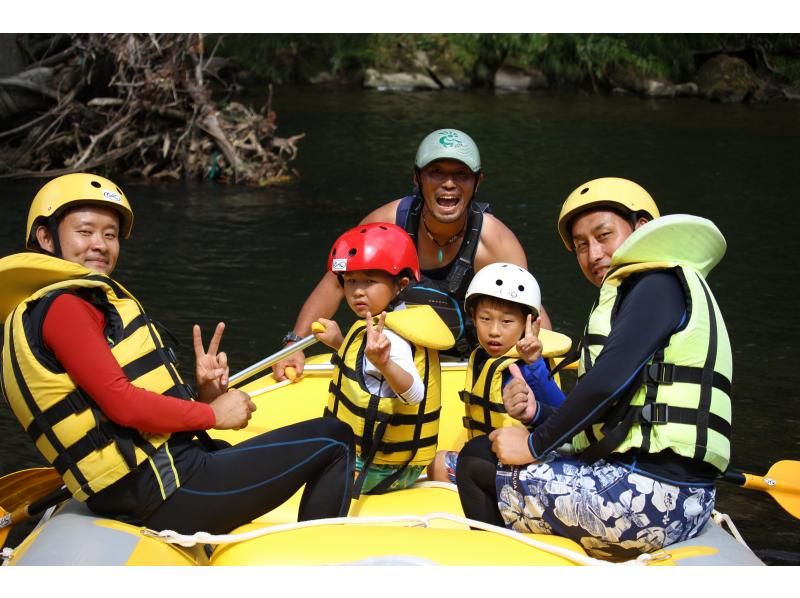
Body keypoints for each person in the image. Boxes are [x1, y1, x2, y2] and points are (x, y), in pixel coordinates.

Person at [0, 173, 355, 536]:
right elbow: (122, 404)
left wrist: (204, 393)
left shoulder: (52, 307)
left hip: (147, 485)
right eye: (85, 231)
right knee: (334, 437)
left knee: (253, 446)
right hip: (166, 492)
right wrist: (212, 413)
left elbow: (115, 415)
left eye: (110, 234)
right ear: (46, 237)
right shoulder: (64, 308)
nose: (100, 245)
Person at [456, 177, 733, 561]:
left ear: (641, 228)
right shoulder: (662, 285)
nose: (593, 253)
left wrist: (534, 444)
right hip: (676, 495)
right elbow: (610, 414)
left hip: (650, 503)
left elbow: (606, 383)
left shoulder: (656, 284)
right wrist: (538, 414)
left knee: (474, 461)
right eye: (581, 245)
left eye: (604, 235)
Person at [274, 128, 551, 379]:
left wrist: (543, 369)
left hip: (467, 365)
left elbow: (530, 309)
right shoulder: (386, 222)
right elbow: (336, 281)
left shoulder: (496, 242)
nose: (449, 184)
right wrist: (294, 343)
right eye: (436, 172)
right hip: (393, 360)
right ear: (417, 178)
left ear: (477, 182)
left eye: (461, 175)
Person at [315, 222, 453, 496]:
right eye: (351, 281)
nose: (357, 291)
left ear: (400, 284)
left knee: (305, 457)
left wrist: (385, 363)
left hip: (376, 468)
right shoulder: (388, 323)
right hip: (391, 464)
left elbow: (415, 394)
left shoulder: (392, 337)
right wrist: (339, 344)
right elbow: (369, 376)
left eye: (369, 281)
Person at [426, 262, 565, 484]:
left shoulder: (529, 365)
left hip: (527, 466)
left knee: (441, 464)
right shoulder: (483, 358)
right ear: (473, 316)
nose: (494, 331)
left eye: (507, 321)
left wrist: (535, 365)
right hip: (491, 457)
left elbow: (564, 415)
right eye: (485, 319)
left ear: (528, 323)